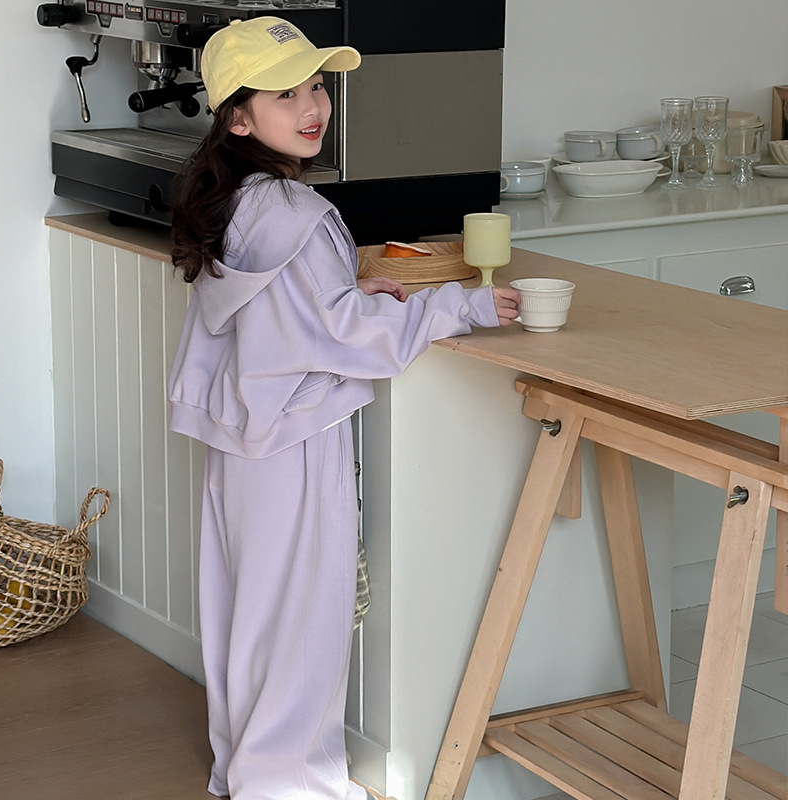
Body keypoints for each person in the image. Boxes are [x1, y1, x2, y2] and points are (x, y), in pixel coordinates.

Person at [166, 16, 520, 800]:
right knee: (302, 616)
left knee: (250, 614)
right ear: (237, 117)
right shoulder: (298, 214)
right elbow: (351, 338)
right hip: (295, 434)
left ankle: (246, 768)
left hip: (243, 439)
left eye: (318, 86)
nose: (313, 106)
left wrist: (340, 289)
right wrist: (460, 306)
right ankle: (288, 784)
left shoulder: (237, 201)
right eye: (286, 94)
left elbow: (277, 311)